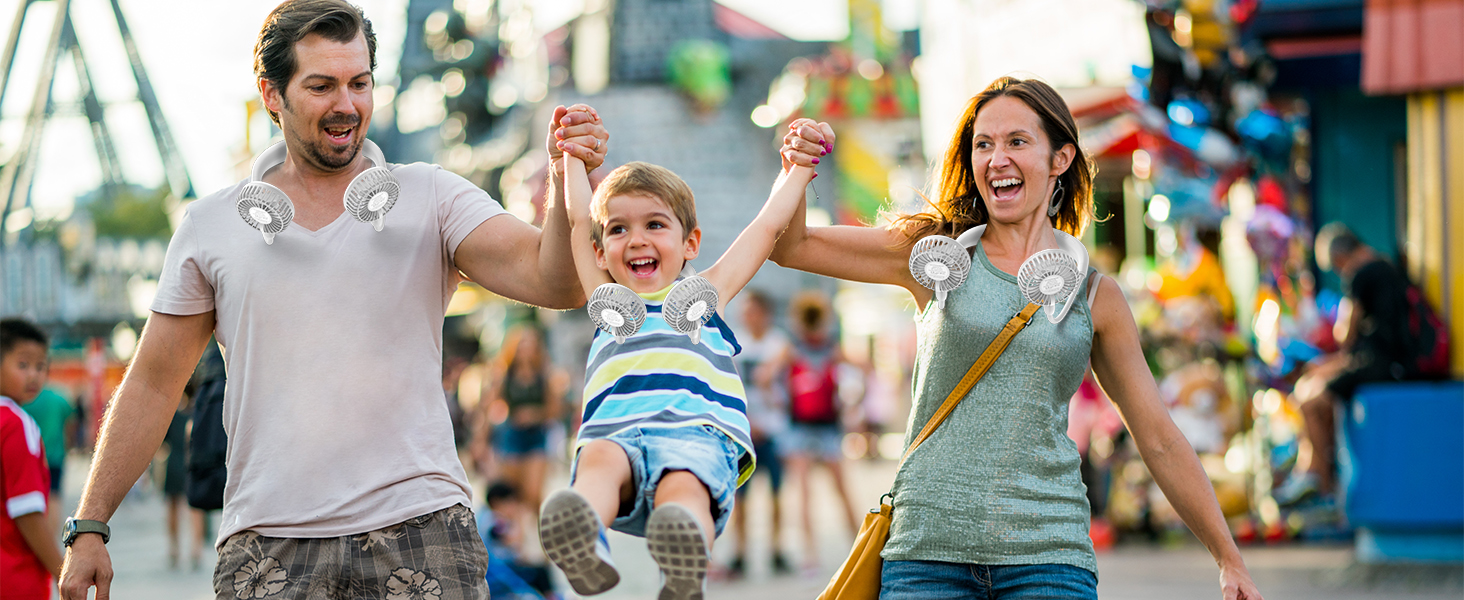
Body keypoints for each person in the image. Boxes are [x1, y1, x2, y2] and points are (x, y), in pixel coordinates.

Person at [57, 1, 609, 599]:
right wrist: (90, 524)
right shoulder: (211, 225)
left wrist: (566, 182)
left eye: (360, 83)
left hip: (422, 529)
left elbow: (556, 283)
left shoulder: (431, 196)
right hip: (268, 545)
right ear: (272, 95)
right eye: (321, 86)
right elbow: (153, 384)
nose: (347, 105)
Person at [772, 76, 1263, 599]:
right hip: (926, 556)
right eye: (983, 144)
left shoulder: (1096, 296)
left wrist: (1229, 560)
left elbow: (1160, 437)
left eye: (1017, 142)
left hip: (1049, 558)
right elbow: (792, 246)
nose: (996, 158)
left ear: (1060, 159)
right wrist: (796, 170)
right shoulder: (934, 255)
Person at [538, 113, 816, 599]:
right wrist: (571, 160)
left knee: (685, 486)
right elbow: (582, 220)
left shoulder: (705, 295)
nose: (638, 239)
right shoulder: (609, 304)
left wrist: (797, 166)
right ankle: (582, 531)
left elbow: (768, 225)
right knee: (599, 461)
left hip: (696, 432)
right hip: (617, 430)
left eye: (655, 225)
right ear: (601, 252)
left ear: (690, 243)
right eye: (619, 230)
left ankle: (683, 563)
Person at [1275, 223, 1429, 505]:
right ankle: (1310, 469)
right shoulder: (1387, 266)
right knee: (1310, 382)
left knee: (1309, 399)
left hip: (1381, 364)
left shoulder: (1361, 276)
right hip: (1390, 360)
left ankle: (1319, 482)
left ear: (1340, 258)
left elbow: (1344, 335)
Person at [775, 289, 860, 574]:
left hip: (806, 425)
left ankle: (814, 555)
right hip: (819, 425)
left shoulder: (793, 348)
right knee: (835, 490)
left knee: (808, 492)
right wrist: (851, 404)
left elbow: (764, 376)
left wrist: (780, 398)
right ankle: (856, 548)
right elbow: (864, 370)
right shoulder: (829, 347)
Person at [726, 290, 792, 577]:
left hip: (775, 429)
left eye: (751, 310)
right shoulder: (734, 343)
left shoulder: (779, 343)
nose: (746, 316)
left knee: (777, 494)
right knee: (741, 496)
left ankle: (776, 549)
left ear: (764, 313)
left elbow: (785, 383)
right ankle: (739, 553)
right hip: (744, 430)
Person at [2, 318, 63, 599]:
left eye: (41, 366)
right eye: (23, 364)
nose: (34, 376)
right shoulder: (15, 423)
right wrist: (62, 571)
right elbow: (26, 510)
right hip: (16, 579)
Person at [485, 325, 567, 518]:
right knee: (514, 494)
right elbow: (490, 405)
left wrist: (534, 414)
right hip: (511, 435)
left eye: (530, 345)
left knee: (533, 493)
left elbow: (556, 409)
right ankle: (520, 542)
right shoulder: (505, 375)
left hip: (536, 435)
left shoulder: (544, 375)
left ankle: (544, 537)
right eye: (522, 345)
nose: (526, 349)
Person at [20, 385, 74, 534]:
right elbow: (71, 423)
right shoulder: (59, 398)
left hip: (31, 456)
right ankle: (51, 537)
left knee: (32, 499)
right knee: (54, 497)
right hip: (56, 455)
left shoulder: (25, 400)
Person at [161, 393, 206, 570]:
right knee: (195, 508)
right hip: (192, 463)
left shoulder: (172, 415)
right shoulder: (198, 413)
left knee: (173, 507)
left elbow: (163, 442)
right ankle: (196, 548)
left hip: (174, 463)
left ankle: (174, 547)